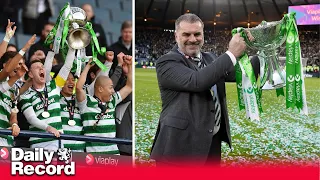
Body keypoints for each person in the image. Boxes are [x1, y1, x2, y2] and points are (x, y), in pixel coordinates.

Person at [150, 13, 259, 165]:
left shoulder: (211, 58)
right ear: (176, 36)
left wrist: (263, 52)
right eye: (186, 34)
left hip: (210, 142)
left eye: (197, 34)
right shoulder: (166, 62)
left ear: (203, 35)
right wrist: (231, 53)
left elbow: (238, 75)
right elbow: (197, 81)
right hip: (179, 147)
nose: (193, 39)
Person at [20, 47, 75, 151]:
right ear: (30, 74)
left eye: (42, 67)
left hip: (57, 142)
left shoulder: (55, 86)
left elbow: (67, 67)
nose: (41, 69)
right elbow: (31, 119)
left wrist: (72, 47)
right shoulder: (25, 95)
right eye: (37, 68)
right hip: (38, 144)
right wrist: (48, 128)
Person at [76, 54, 132, 154]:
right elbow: (79, 88)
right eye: (110, 87)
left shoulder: (112, 101)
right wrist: (88, 66)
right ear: (101, 89)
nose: (113, 91)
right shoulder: (86, 103)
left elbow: (129, 87)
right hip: (93, 157)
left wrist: (130, 66)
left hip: (113, 155)